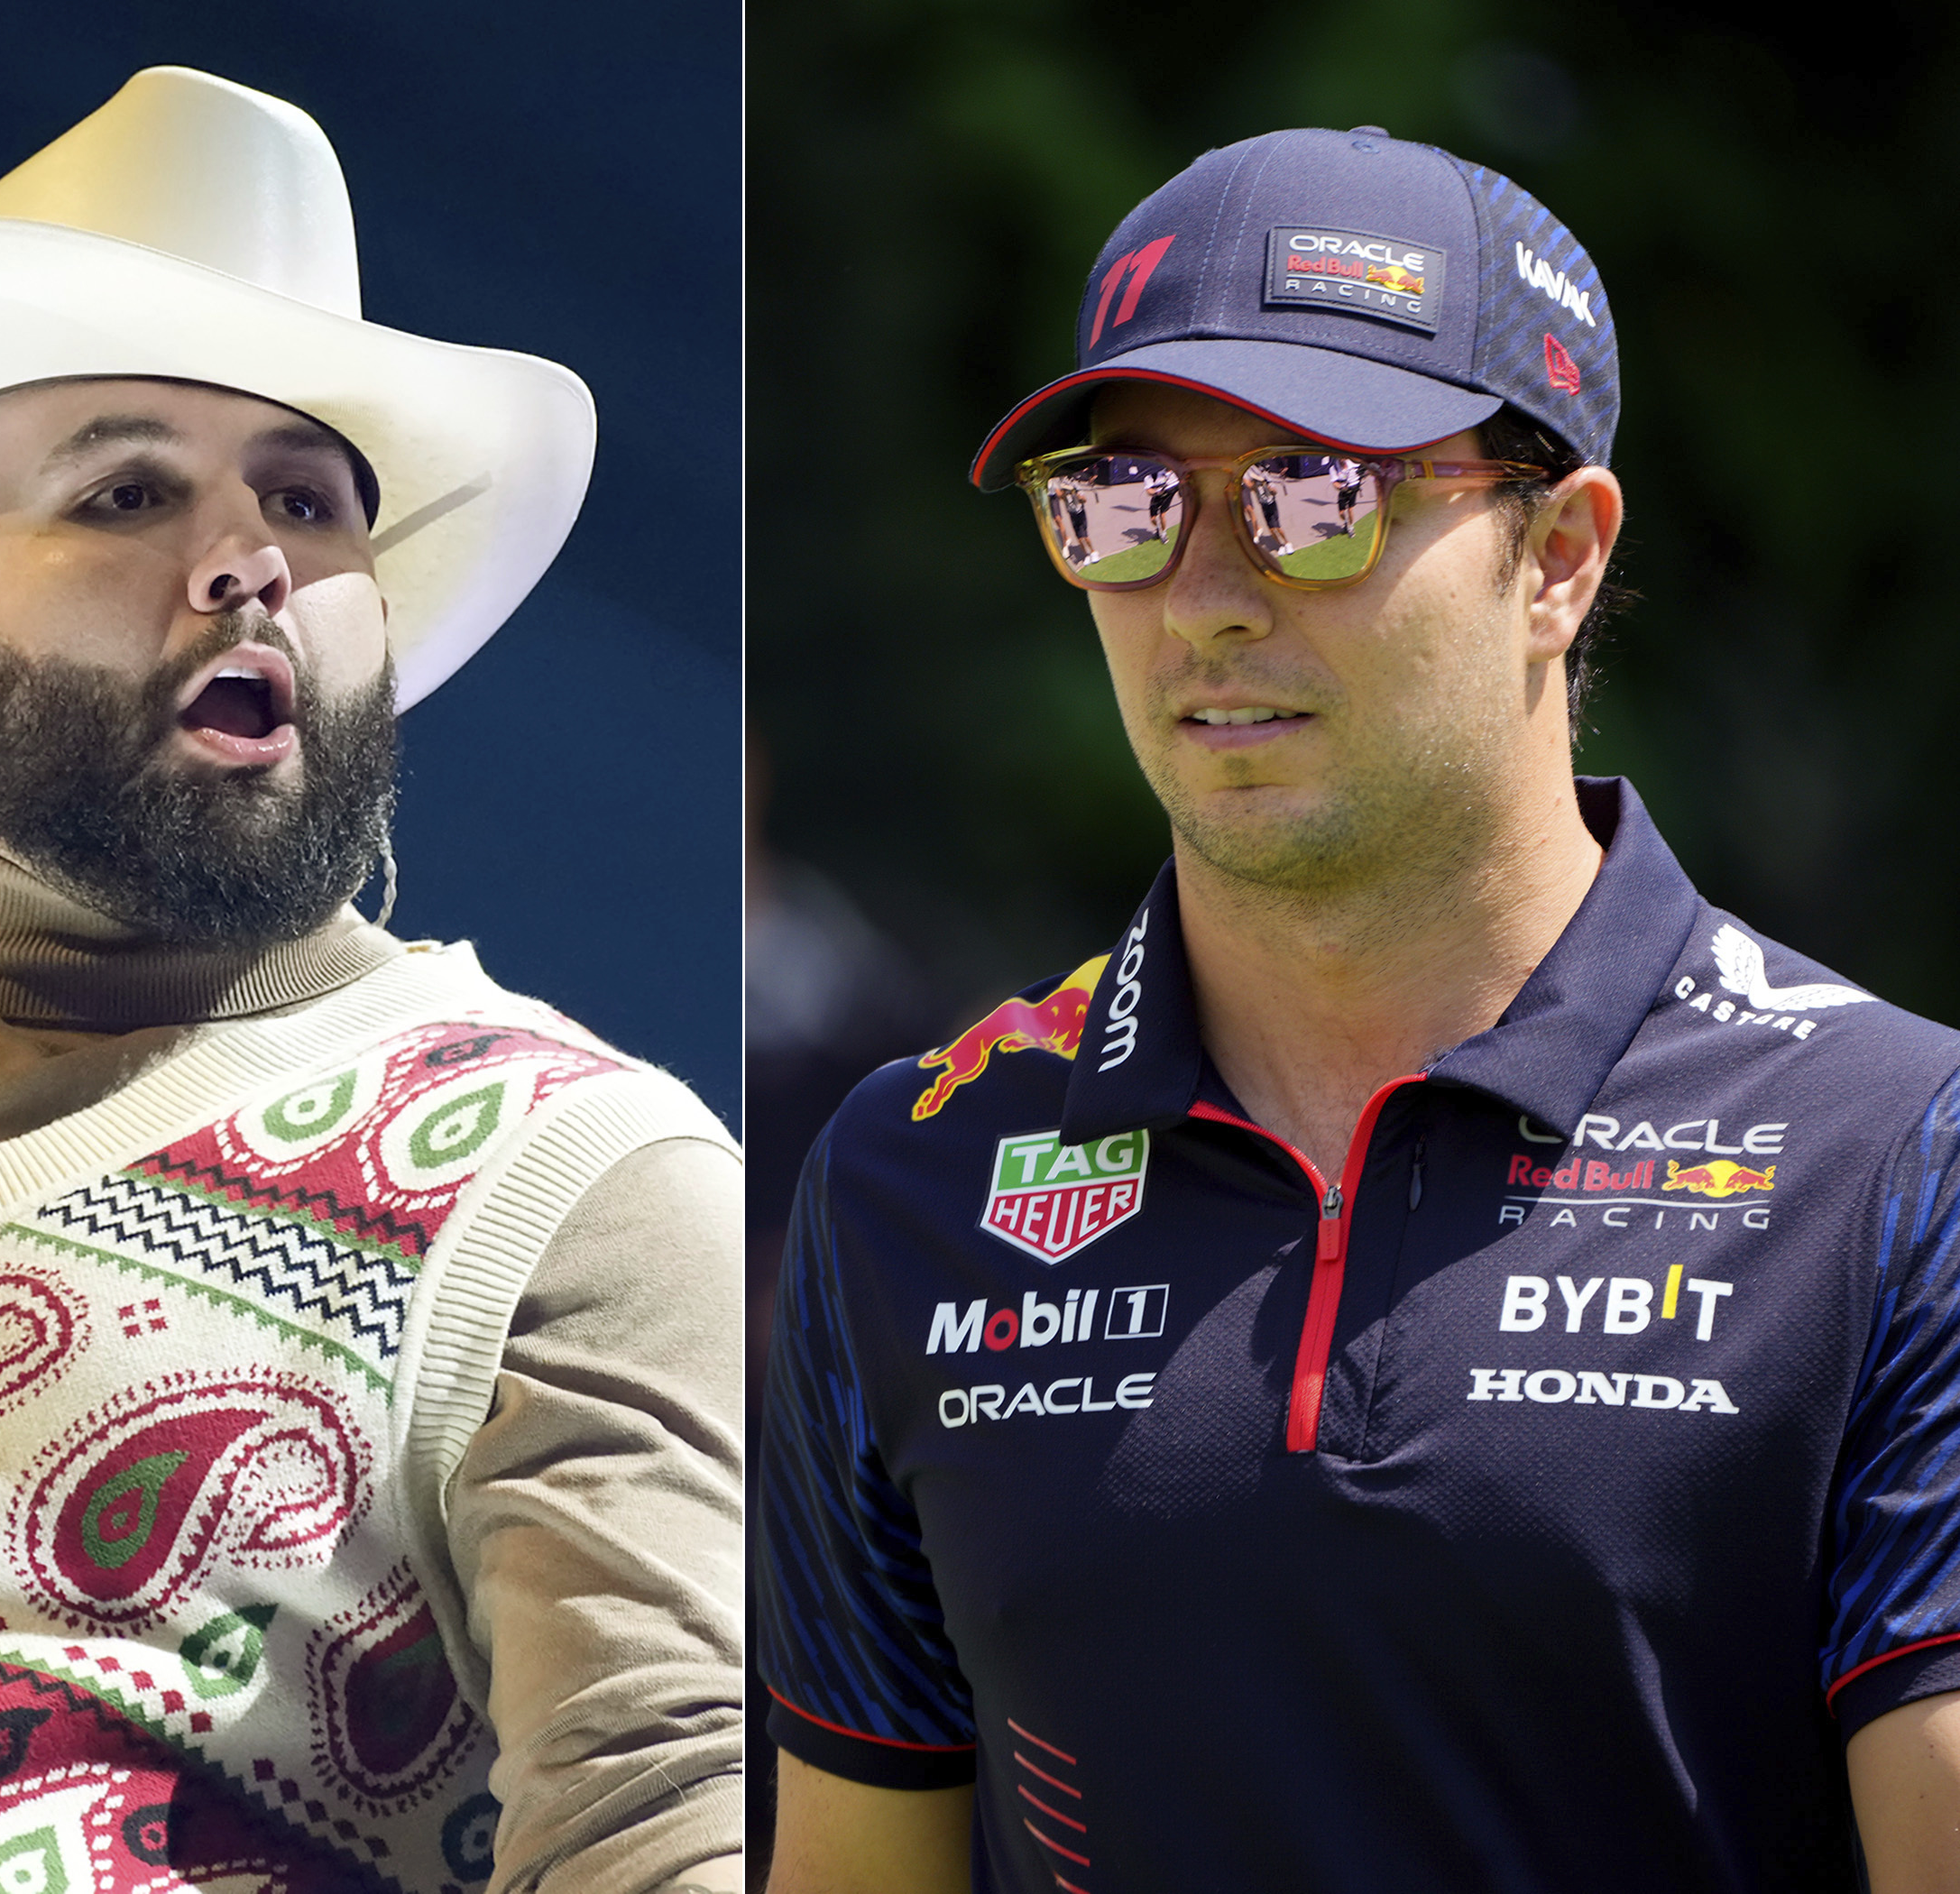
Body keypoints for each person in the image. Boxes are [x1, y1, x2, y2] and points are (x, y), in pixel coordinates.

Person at [0, 69, 740, 1894]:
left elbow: (664, 1826)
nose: (252, 561)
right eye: (127, 491)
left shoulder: (574, 1182)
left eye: (310, 502)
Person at [755, 124, 1960, 1892]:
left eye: (1316, 498)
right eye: (1124, 505)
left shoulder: (1896, 1155)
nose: (1203, 602)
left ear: (1559, 557)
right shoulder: (911, 1174)